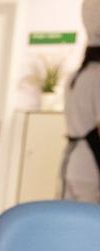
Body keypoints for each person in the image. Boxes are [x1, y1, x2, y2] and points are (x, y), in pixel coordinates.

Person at [63, 0, 100, 203]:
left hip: (73, 163)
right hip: (90, 168)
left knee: (73, 224)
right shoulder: (97, 76)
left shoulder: (75, 76)